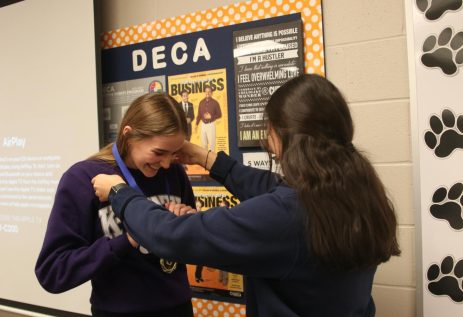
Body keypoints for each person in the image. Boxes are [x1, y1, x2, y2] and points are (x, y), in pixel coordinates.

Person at [92, 74, 401, 317]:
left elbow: (172, 236)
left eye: (269, 129)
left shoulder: (288, 216)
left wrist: (120, 193)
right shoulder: (360, 193)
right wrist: (207, 158)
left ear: (283, 134)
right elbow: (270, 186)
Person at [35, 93, 196, 317]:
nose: (167, 163)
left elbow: (191, 247)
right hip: (117, 311)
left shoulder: (174, 173)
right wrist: (129, 239)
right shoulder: (83, 178)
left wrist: (186, 225)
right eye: (159, 153)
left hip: (178, 308)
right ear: (128, 135)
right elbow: (53, 271)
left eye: (173, 153)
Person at [195, 86, 222, 152]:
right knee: (204, 145)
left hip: (211, 125)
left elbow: (219, 114)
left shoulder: (215, 103)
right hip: (203, 125)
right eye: (206, 91)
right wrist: (196, 124)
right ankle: (205, 161)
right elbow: (199, 115)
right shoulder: (201, 102)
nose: (208, 93)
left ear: (211, 93)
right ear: (204, 92)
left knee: (212, 145)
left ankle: (212, 161)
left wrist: (211, 117)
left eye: (209, 92)